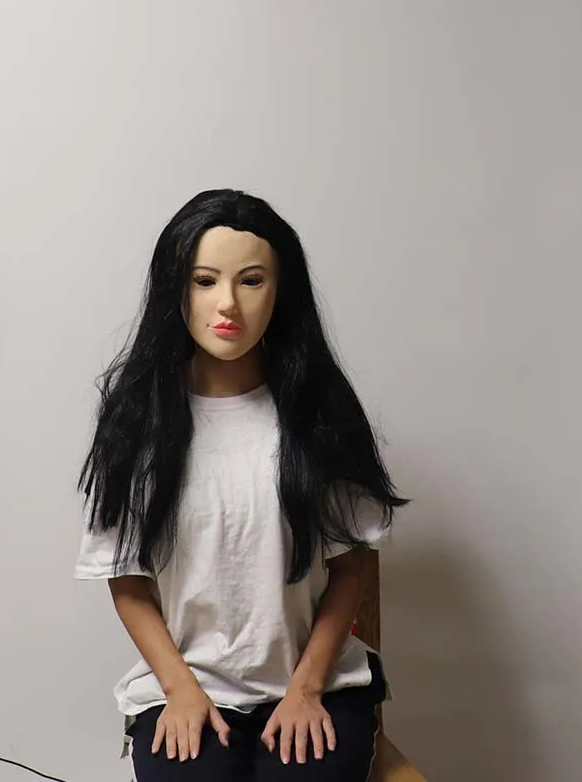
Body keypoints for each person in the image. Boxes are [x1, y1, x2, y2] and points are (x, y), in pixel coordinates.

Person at [74, 189, 409, 781]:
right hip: (186, 685)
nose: (227, 303)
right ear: (176, 288)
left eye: (251, 281)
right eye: (204, 281)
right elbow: (127, 579)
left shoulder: (319, 415)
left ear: (281, 291)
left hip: (317, 684)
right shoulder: (139, 421)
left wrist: (307, 689)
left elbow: (350, 569)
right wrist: (179, 690)